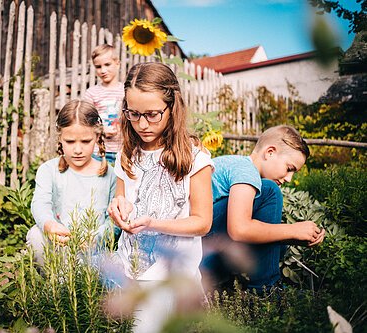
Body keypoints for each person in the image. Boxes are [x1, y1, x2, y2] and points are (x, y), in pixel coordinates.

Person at [107, 62, 214, 333]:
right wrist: (118, 209)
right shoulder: (127, 154)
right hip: (130, 264)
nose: (142, 124)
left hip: (171, 271)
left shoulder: (195, 157)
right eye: (133, 114)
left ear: (172, 108)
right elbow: (123, 200)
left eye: (152, 114)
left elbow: (202, 222)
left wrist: (153, 223)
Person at [201, 125, 326, 293]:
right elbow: (239, 229)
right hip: (196, 253)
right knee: (269, 191)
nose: (289, 178)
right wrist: (292, 229)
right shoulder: (246, 170)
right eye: (289, 169)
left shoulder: (241, 168)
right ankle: (266, 290)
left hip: (203, 253)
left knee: (277, 244)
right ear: (270, 152)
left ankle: (250, 288)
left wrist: (295, 237)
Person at [26, 99, 117, 264]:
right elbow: (40, 203)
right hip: (60, 246)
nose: (77, 149)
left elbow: (114, 221)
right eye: (70, 141)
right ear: (60, 137)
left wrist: (97, 238)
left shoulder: (110, 174)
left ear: (97, 136)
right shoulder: (48, 170)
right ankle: (56, 284)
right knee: (35, 234)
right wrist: (49, 225)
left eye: (85, 141)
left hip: (93, 252)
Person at [83, 44, 124, 164]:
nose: (103, 70)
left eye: (107, 64)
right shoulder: (92, 93)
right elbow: (86, 120)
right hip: (98, 151)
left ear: (117, 63)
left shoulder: (126, 91)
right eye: (98, 67)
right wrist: (101, 129)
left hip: (123, 149)